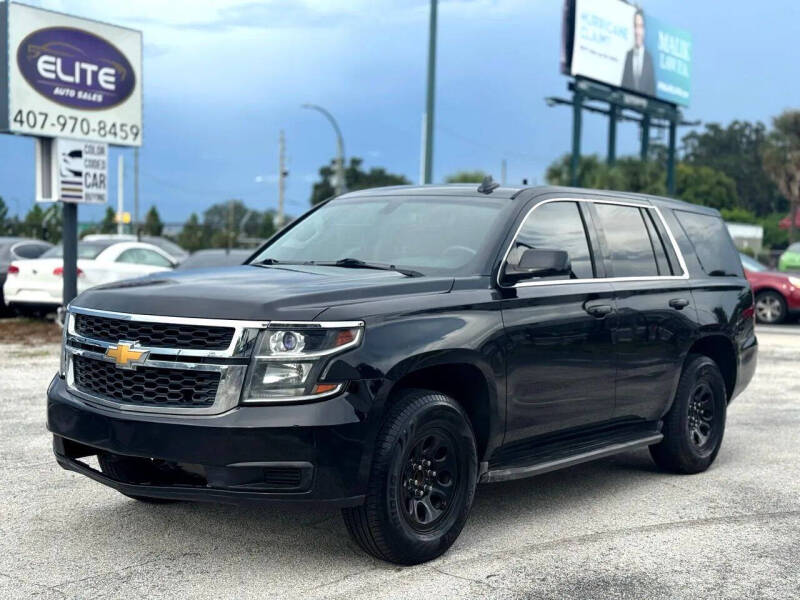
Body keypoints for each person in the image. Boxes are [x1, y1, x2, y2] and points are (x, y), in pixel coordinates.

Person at [621, 8, 655, 96]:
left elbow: (652, 92)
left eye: (640, 27)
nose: (637, 32)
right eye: (635, 26)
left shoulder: (649, 59)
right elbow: (622, 87)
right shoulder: (628, 56)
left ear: (644, 30)